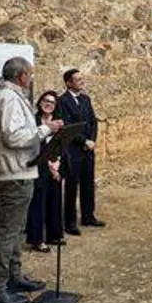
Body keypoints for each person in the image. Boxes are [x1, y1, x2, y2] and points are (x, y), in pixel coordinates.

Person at [0, 57, 63, 303]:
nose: (31, 78)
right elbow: (14, 137)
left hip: (20, 172)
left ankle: (14, 277)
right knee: (8, 231)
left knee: (16, 229)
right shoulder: (8, 99)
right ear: (21, 76)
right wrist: (46, 129)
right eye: (30, 74)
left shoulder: (12, 97)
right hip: (13, 173)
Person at [55, 69, 106, 233]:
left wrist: (92, 140)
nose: (82, 82)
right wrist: (83, 141)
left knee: (88, 183)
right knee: (71, 186)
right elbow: (67, 126)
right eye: (78, 79)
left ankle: (88, 216)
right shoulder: (62, 101)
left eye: (82, 79)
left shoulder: (86, 99)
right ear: (68, 83)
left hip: (88, 149)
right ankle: (70, 223)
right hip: (73, 150)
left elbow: (93, 122)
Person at [26, 91, 65, 253]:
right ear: (40, 102)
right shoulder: (33, 121)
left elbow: (62, 144)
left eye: (52, 102)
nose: (49, 104)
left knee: (54, 199)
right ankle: (37, 240)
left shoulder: (58, 122)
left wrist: (57, 163)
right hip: (38, 166)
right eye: (45, 101)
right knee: (38, 203)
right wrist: (50, 165)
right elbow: (32, 144)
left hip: (55, 165)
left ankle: (54, 235)